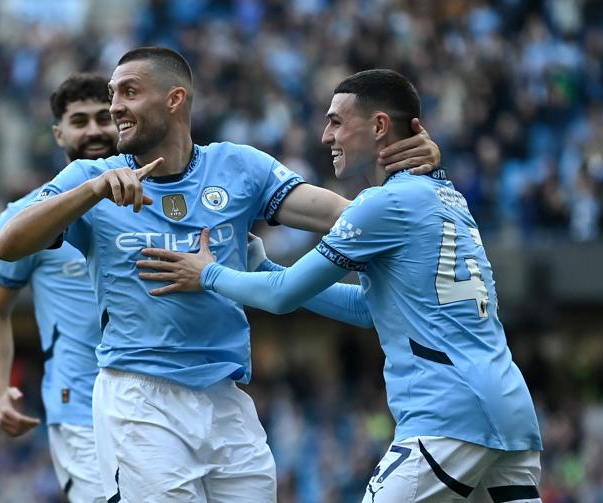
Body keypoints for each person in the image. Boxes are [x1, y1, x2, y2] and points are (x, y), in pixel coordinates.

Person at [0, 48, 441, 502]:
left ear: (174, 99)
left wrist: (418, 175)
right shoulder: (91, 177)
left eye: (129, 92)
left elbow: (346, 217)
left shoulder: (239, 166)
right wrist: (91, 192)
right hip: (139, 397)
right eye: (113, 95)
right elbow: (8, 243)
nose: (115, 107)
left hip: (225, 396)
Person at [136, 69, 542, 502]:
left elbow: (282, 297)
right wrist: (266, 268)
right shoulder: (448, 197)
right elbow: (368, 309)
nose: (326, 135)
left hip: (449, 415)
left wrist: (208, 274)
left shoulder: (382, 204)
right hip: (510, 409)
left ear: (380, 126)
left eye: (335, 121)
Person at [0, 73, 117, 503]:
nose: (93, 130)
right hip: (80, 411)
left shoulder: (162, 201)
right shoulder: (28, 221)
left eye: (102, 117)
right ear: (59, 133)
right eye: (79, 121)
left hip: (160, 400)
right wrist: (1, 391)